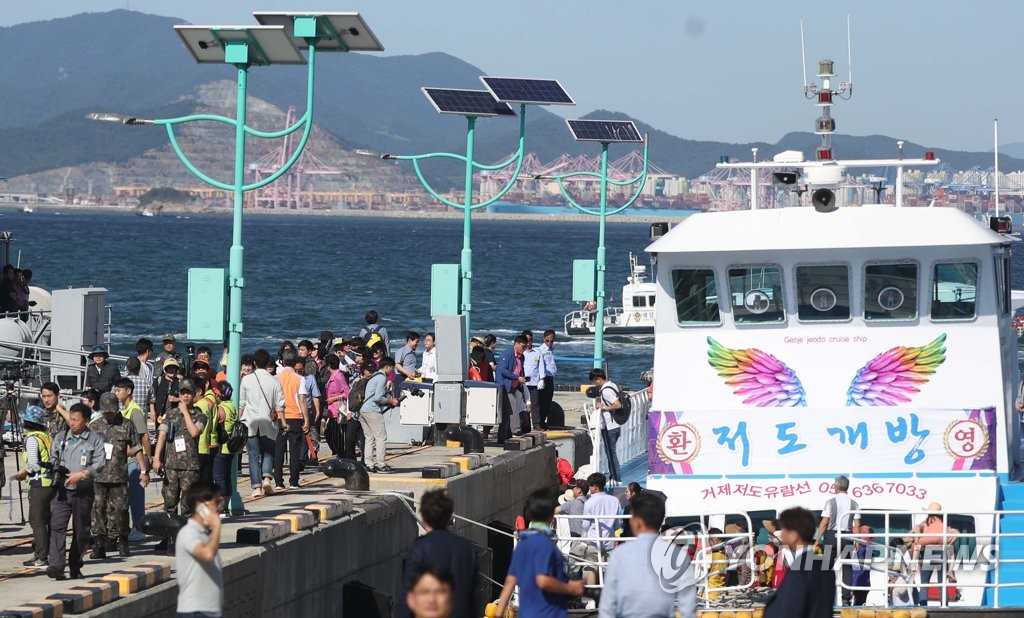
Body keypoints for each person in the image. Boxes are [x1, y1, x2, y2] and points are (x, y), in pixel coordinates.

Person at [599, 492, 697, 618]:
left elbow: (607, 606)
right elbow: (688, 607)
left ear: (637, 522)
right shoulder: (678, 555)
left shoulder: (619, 555)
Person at [496, 489, 584, 617]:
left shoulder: (522, 544)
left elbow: (510, 581)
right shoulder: (545, 543)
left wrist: (498, 614)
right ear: (551, 514)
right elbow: (543, 580)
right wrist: (570, 588)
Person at [47, 403, 106, 580]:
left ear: (86, 421)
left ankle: (75, 565)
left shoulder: (94, 439)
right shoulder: (61, 437)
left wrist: (82, 474)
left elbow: (100, 463)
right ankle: (56, 566)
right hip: (62, 490)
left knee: (81, 531)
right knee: (57, 526)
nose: (71, 423)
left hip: (82, 491)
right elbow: (53, 457)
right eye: (70, 419)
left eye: (76, 420)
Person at [401, 489, 480, 618]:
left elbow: (408, 593)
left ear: (424, 517)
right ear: (448, 516)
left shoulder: (419, 548)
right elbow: (474, 597)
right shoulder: (468, 548)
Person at [88, 392, 148, 559]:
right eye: (106, 411)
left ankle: (122, 541)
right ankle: (100, 543)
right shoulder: (94, 426)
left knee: (120, 510)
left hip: (118, 477)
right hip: (98, 476)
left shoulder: (127, 425)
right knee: (97, 510)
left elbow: (136, 448)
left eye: (111, 411)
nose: (109, 414)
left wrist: (143, 471)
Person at [763, 507, 835, 618]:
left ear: (794, 535)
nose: (782, 535)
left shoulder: (799, 571)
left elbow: (787, 610)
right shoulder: (825, 566)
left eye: (784, 531)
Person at [152, 378, 207, 517]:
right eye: (183, 393)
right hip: (171, 465)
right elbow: (162, 435)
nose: (185, 396)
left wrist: (186, 412)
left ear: (194, 394)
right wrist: (157, 458)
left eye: (189, 393)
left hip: (190, 466)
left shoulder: (200, 415)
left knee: (188, 505)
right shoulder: (171, 414)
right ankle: (170, 530)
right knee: (169, 503)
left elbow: (194, 432)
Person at [12, 405, 55, 567]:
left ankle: (41, 556)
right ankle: (46, 552)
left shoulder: (31, 439)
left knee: (36, 520)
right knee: (46, 520)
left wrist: (22, 473)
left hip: (39, 483)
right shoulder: (45, 437)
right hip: (50, 483)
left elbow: (33, 464)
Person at [238, 349, 285, 497]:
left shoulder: (246, 380)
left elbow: (241, 403)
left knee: (253, 455)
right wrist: (283, 422)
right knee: (268, 452)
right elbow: (280, 405)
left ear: (254, 363)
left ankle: (257, 488)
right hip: (268, 422)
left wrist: (238, 420)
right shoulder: (275, 381)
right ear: (268, 363)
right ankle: (266, 479)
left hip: (250, 421)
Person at [176, 480, 224, 618]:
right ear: (200, 505)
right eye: (216, 503)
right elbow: (207, 555)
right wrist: (217, 527)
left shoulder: (205, 534)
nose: (220, 509)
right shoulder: (188, 533)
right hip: (194, 612)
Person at [114, 376, 151, 542]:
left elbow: (144, 437)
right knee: (128, 495)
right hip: (127, 459)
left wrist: (148, 458)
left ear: (128, 391)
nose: (116, 393)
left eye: (119, 390)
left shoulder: (135, 411)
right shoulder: (125, 410)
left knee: (136, 496)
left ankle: (139, 527)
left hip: (135, 460)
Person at [817, 475, 860, 606]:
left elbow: (824, 522)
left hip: (831, 536)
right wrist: (857, 541)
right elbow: (857, 525)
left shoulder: (830, 502)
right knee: (847, 567)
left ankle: (824, 596)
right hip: (847, 537)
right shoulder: (854, 503)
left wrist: (817, 540)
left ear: (836, 487)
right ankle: (846, 599)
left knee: (826, 567)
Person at [578, 472, 622, 591]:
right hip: (609, 542)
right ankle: (610, 596)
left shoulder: (589, 503)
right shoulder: (614, 500)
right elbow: (618, 524)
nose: (589, 488)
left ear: (595, 487)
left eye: (590, 485)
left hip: (593, 541)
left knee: (591, 569)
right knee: (610, 570)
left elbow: (585, 525)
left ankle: (591, 597)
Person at [911, 502, 959, 606]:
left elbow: (918, 534)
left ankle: (923, 604)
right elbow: (951, 534)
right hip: (942, 551)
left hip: (929, 551)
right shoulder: (944, 523)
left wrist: (918, 538)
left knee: (925, 581)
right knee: (942, 582)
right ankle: (944, 605)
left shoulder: (927, 523)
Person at [274, 348, 309, 490]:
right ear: (295, 362)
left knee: (279, 449)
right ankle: (294, 481)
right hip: (295, 416)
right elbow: (302, 400)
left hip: (279, 416)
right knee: (294, 450)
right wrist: (306, 419)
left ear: (283, 361)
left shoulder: (276, 378)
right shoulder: (299, 379)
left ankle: (278, 481)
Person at [360, 358, 399, 473]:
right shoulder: (382, 377)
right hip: (373, 410)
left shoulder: (374, 376)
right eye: (392, 369)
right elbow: (378, 398)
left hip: (363, 410)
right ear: (387, 367)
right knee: (381, 437)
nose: (392, 372)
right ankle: (381, 465)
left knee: (369, 438)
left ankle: (369, 464)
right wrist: (391, 401)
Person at [590, 369, 623, 483]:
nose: (594, 384)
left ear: (598, 379)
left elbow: (617, 405)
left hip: (610, 426)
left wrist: (603, 407)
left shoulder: (606, 391)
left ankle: (616, 478)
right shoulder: (612, 385)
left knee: (611, 454)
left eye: (594, 381)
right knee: (611, 453)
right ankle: (613, 476)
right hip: (615, 425)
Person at [210, 382, 238, 512]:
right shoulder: (232, 406)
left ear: (219, 395)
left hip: (221, 447)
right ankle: (225, 506)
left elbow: (214, 424)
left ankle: (220, 507)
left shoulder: (220, 409)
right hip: (231, 447)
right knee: (226, 477)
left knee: (219, 478)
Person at [496, 335, 529, 442]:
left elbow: (520, 369)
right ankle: (516, 430)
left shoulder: (522, 357)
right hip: (505, 387)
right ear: (516, 344)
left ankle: (502, 437)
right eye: (523, 347)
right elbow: (502, 370)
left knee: (507, 414)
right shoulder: (507, 354)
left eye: (525, 347)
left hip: (515, 386)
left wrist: (523, 378)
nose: (524, 349)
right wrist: (516, 377)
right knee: (512, 406)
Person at [324, 354, 350, 457]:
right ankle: (338, 453)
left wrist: (333, 399)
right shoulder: (333, 376)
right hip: (332, 410)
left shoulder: (339, 376)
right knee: (329, 433)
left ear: (329, 366)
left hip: (337, 410)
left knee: (335, 435)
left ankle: (340, 454)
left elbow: (346, 393)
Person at [537, 330, 558, 429]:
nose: (549, 343)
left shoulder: (551, 350)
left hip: (550, 378)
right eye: (547, 341)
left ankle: (543, 420)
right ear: (544, 339)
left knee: (548, 400)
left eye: (552, 341)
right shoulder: (541, 350)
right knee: (542, 401)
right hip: (544, 378)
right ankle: (540, 421)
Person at [522, 330, 542, 430]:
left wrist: (542, 379)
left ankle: (536, 423)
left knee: (535, 404)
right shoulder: (521, 353)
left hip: (534, 382)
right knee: (523, 404)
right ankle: (525, 424)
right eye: (526, 340)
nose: (529, 342)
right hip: (523, 382)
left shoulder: (537, 352)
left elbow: (541, 367)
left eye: (530, 339)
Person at [153, 357, 182, 423]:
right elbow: (152, 397)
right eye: (169, 368)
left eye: (173, 368)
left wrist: (176, 399)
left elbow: (186, 398)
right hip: (159, 415)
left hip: (174, 416)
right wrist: (152, 411)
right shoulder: (158, 380)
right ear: (165, 369)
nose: (171, 370)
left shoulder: (180, 382)